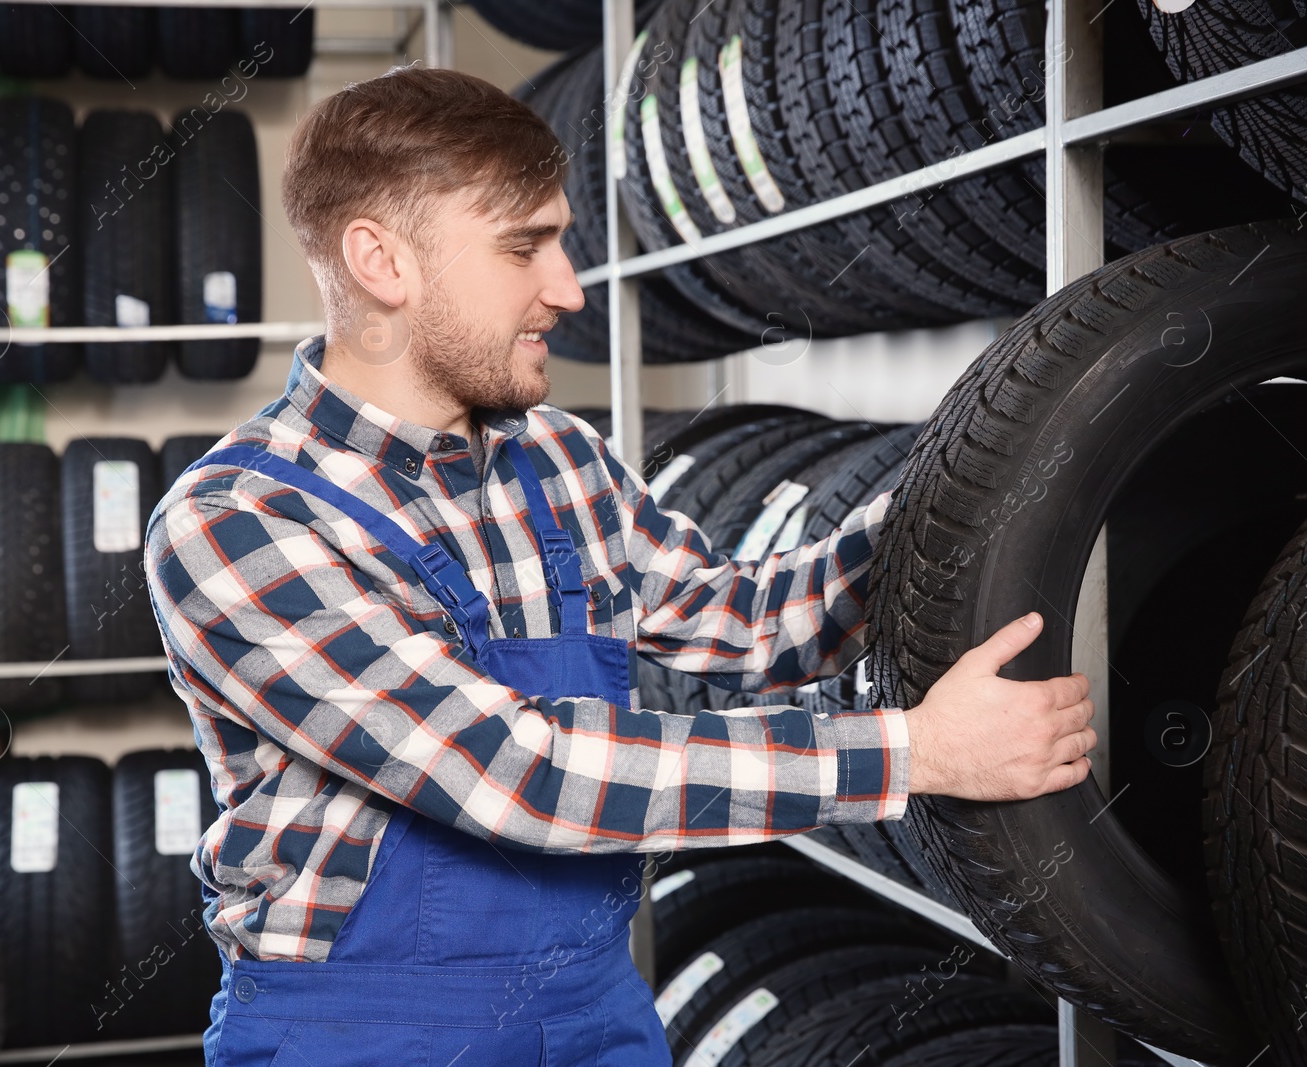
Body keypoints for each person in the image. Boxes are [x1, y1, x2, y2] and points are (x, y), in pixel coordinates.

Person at [144, 64, 1096, 1067]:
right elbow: (519, 771)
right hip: (363, 1032)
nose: (567, 288)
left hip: (594, 1007)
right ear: (382, 261)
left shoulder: (557, 456)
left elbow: (761, 627)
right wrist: (912, 751)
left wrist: (965, 466)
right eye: (525, 248)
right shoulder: (238, 522)